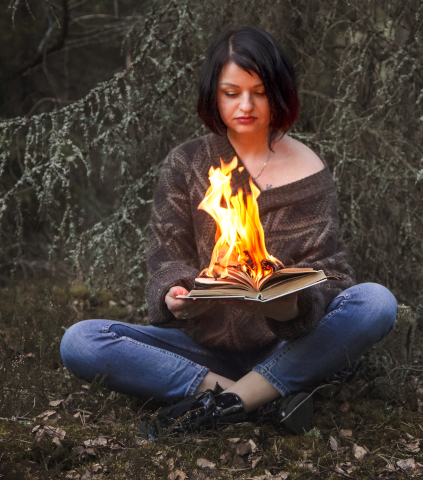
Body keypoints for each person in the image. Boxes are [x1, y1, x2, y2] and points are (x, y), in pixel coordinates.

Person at [60, 26, 397, 437]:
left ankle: (228, 402)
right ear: (213, 95)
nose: (246, 105)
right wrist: (175, 294)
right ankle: (256, 399)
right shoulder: (187, 163)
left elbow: (333, 273)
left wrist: (290, 307)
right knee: (81, 341)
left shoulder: (310, 170)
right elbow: (167, 255)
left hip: (288, 346)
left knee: (376, 302)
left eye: (258, 91)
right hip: (202, 351)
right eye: (231, 92)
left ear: (278, 92)